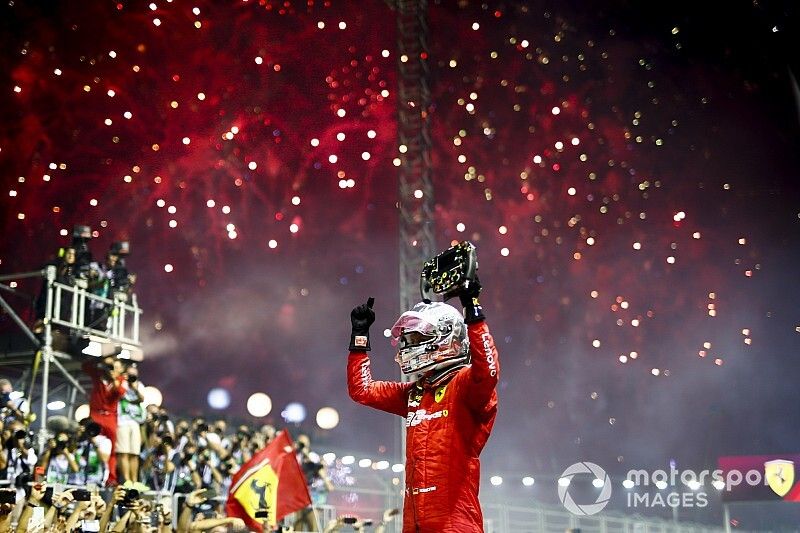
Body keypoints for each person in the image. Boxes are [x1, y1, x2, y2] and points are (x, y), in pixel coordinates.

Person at [346, 281, 499, 533]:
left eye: (416, 337)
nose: (408, 345)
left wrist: (472, 308)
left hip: (455, 524)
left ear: (447, 337)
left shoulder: (465, 386)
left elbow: (488, 372)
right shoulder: (415, 392)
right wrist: (359, 337)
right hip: (413, 523)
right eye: (406, 339)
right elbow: (361, 390)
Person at [83, 356, 127, 486]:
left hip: (110, 417)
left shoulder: (121, 380)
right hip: (96, 415)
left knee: (112, 449)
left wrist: (114, 378)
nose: (112, 369)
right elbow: (85, 366)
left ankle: (111, 478)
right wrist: (100, 360)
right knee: (91, 444)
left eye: (115, 367)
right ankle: (88, 474)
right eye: (111, 366)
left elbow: (120, 392)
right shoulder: (99, 374)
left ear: (121, 370)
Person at [116, 363, 146, 484]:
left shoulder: (139, 385)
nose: (132, 376)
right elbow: (119, 393)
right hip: (122, 420)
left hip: (135, 422)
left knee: (134, 453)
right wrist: (125, 382)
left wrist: (134, 387)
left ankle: (134, 481)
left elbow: (142, 398)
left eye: (134, 375)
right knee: (123, 451)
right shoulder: (121, 383)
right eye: (130, 374)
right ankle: (127, 480)